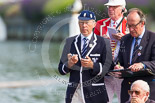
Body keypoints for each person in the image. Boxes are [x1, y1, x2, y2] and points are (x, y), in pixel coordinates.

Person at [58, 10, 113, 103]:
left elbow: (109, 68)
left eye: (87, 23)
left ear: (94, 24)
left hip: (96, 94)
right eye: (81, 23)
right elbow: (61, 69)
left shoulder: (104, 42)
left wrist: (93, 65)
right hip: (74, 94)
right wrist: (69, 64)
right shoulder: (69, 42)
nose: (84, 26)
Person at [114, 8, 155, 103]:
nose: (131, 29)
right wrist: (118, 67)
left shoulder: (153, 38)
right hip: (128, 90)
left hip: (146, 91)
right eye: (128, 26)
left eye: (134, 26)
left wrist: (142, 65)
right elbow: (122, 62)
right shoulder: (124, 39)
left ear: (142, 23)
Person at [94, 0, 128, 102]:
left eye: (114, 6)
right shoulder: (100, 24)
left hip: (123, 71)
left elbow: (139, 44)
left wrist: (125, 38)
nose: (110, 9)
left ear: (123, 9)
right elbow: (92, 46)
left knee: (125, 100)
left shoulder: (130, 23)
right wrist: (101, 42)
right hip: (106, 72)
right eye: (109, 6)